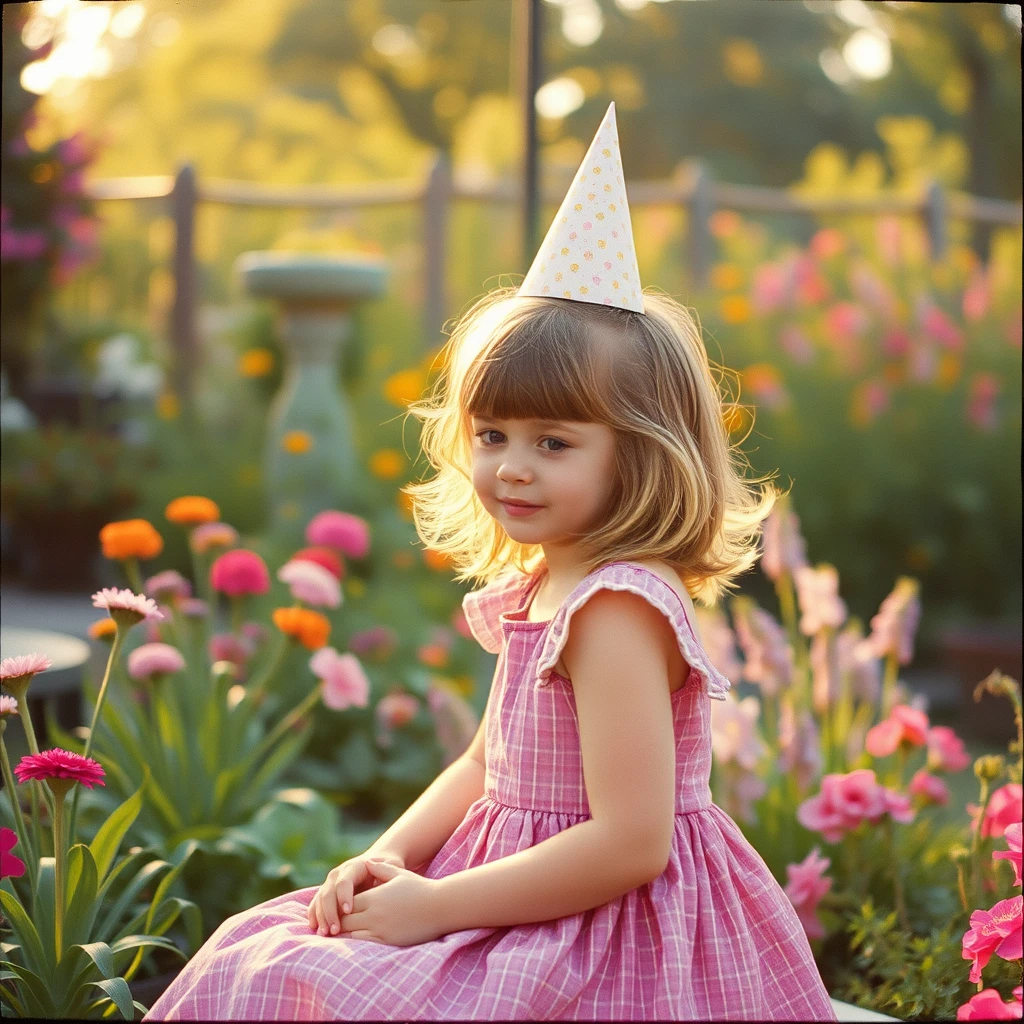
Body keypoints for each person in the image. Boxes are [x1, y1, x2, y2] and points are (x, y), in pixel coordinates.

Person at [143, 102, 838, 1022]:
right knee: (262, 953)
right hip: (511, 891)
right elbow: (486, 762)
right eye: (493, 433)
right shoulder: (552, 582)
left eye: (555, 442)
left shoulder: (616, 607)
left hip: (603, 927)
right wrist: (389, 857)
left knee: (312, 985)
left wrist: (436, 909)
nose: (511, 465)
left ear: (640, 451)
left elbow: (633, 844)